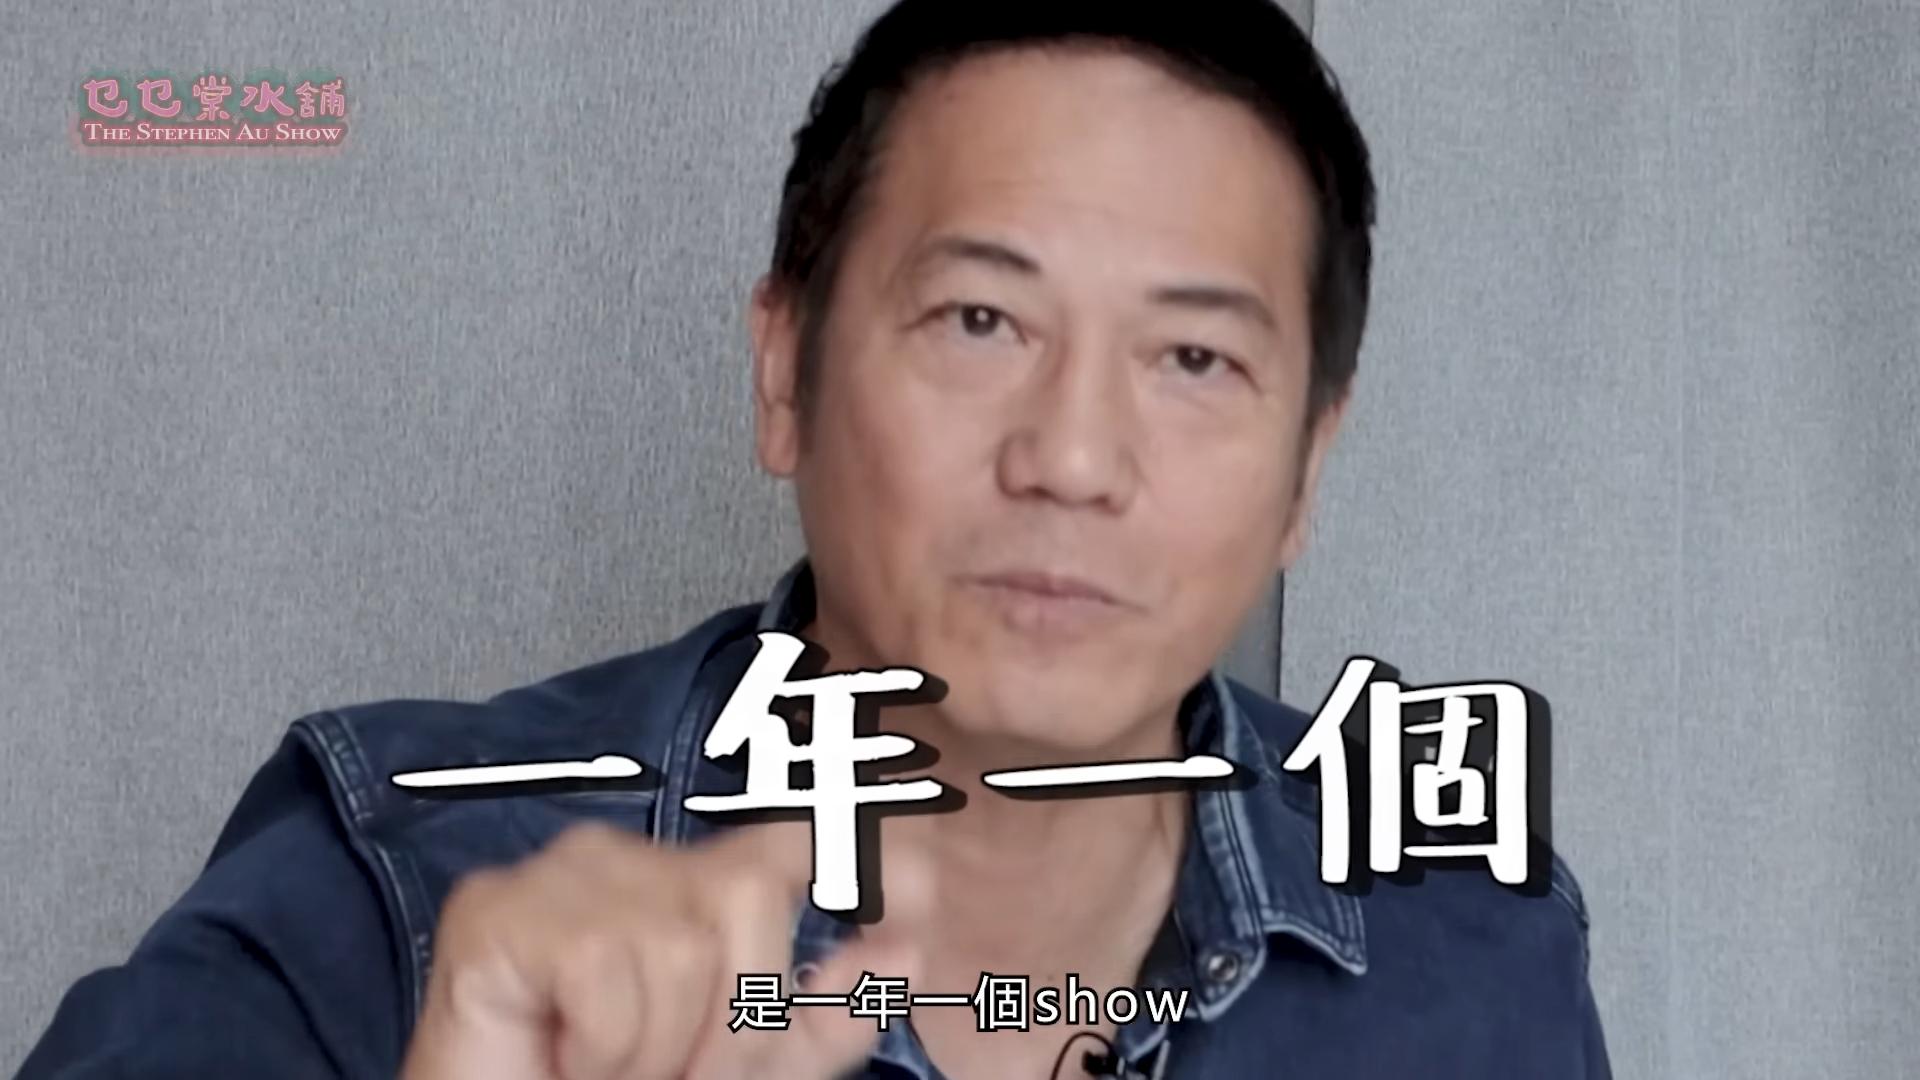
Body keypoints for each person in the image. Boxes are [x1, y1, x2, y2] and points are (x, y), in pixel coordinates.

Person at [18, 2, 1611, 1077]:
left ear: (1307, 467)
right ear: (784, 371)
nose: (1071, 458)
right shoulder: (400, 878)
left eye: (1194, 358)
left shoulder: (1471, 942)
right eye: (980, 319)